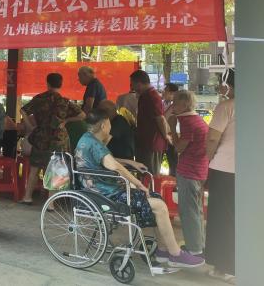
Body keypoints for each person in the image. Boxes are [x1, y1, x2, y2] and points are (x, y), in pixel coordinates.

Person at [74, 109, 204, 268]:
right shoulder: (94, 143)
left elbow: (106, 160)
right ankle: (175, 254)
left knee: (156, 199)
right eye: (109, 124)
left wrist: (131, 162)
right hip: (105, 195)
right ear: (103, 125)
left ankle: (163, 251)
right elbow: (114, 166)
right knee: (159, 205)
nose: (110, 127)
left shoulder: (87, 139)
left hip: (100, 190)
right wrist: (139, 183)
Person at [19, 73, 85, 205]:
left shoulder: (39, 99)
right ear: (61, 84)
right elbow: (83, 115)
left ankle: (27, 197)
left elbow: (23, 111)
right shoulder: (64, 101)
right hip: (58, 139)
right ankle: (51, 204)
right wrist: (66, 120)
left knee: (35, 168)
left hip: (41, 137)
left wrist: (30, 126)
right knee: (56, 169)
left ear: (47, 83)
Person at [205, 69, 235, 282]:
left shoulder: (226, 107)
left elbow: (213, 138)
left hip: (224, 169)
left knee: (222, 218)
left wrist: (208, 160)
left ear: (229, 85)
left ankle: (226, 267)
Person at [171, 90, 208, 257]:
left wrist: (172, 128)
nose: (173, 106)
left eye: (175, 102)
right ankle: (199, 244)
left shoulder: (188, 122)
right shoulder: (197, 119)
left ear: (185, 104)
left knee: (188, 212)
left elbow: (179, 148)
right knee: (196, 210)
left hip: (189, 171)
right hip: (199, 170)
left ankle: (194, 249)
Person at [131, 70, 170, 175]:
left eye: (133, 84)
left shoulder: (152, 96)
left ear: (139, 83)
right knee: (143, 173)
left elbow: (160, 118)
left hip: (152, 143)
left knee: (149, 174)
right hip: (145, 142)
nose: (132, 87)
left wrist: (165, 136)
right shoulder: (145, 95)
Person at [162, 83, 180, 176]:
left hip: (172, 136)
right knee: (158, 160)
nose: (163, 92)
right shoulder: (162, 103)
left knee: (173, 162)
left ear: (173, 93)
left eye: (166, 90)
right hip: (162, 135)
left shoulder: (178, 106)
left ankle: (173, 180)